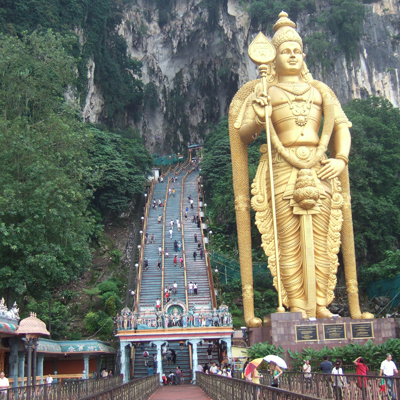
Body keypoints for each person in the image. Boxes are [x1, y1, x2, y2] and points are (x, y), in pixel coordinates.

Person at [229, 11, 374, 323]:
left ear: (304, 55)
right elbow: (243, 133)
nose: (292, 56)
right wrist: (258, 112)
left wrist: (341, 159)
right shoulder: (266, 90)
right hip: (282, 167)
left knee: (324, 238)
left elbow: (341, 128)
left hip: (321, 165)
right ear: (275, 57)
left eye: (297, 51)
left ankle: (321, 303)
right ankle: (296, 304)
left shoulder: (320, 90)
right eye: (285, 51)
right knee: (288, 238)